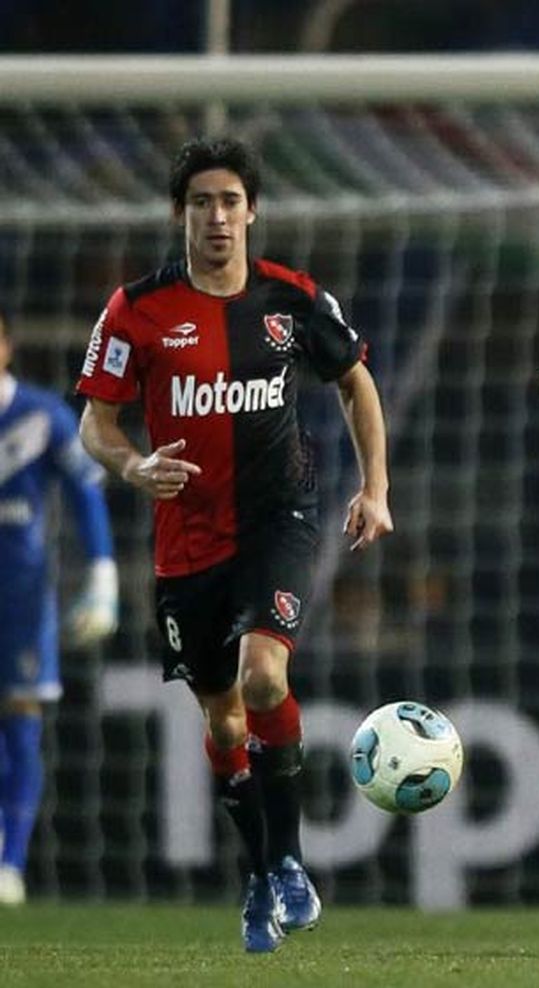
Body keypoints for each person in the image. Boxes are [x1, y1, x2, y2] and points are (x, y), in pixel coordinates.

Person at [75, 137, 393, 953]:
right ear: (178, 214)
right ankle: (257, 875)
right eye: (200, 203)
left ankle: (287, 861)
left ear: (251, 212)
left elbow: (356, 380)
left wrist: (376, 488)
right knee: (223, 726)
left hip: (278, 519)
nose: (216, 217)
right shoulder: (136, 310)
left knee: (264, 676)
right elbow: (95, 423)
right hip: (187, 542)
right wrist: (133, 465)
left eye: (229, 202)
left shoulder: (292, 298)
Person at [0, 307, 119, 906]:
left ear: (6, 347)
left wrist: (102, 573)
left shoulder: (42, 416)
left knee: (21, 716)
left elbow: (85, 493)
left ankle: (10, 866)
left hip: (21, 594)